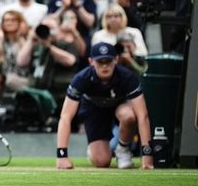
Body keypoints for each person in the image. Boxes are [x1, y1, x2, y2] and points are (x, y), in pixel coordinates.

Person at [56, 42, 154, 170]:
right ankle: (94, 150)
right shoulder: (81, 79)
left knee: (129, 115)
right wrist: (61, 156)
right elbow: (65, 116)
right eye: (100, 62)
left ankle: (122, 150)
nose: (105, 66)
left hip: (120, 106)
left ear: (116, 60)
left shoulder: (128, 77)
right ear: (91, 61)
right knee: (102, 161)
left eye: (108, 61)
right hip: (93, 109)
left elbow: (143, 116)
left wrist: (147, 154)